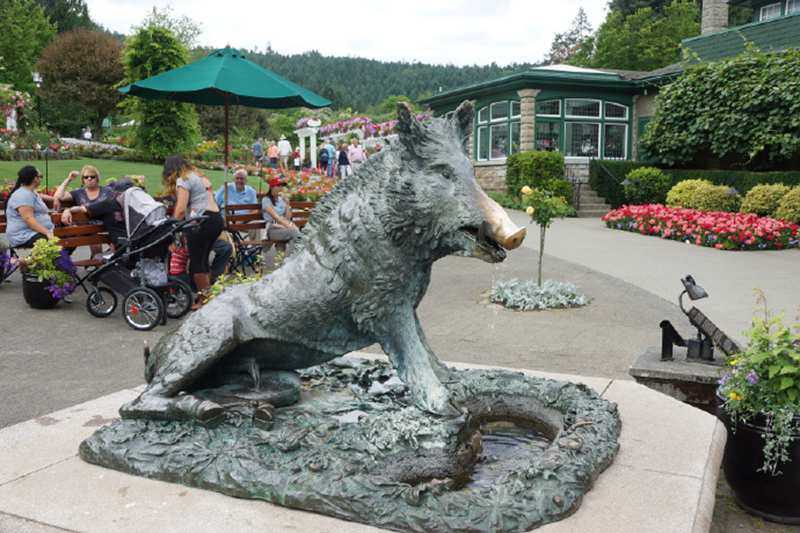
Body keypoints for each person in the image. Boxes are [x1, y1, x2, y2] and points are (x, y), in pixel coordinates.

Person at [162, 155, 224, 309]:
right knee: (203, 261)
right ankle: (207, 297)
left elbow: (181, 209)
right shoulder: (199, 176)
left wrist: (171, 227)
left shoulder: (183, 179)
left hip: (201, 221)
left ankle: (205, 302)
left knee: (197, 263)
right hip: (216, 219)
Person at [5, 165, 54, 248]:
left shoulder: (30, 192)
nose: (41, 179)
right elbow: (29, 220)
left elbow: (38, 197)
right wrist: (47, 232)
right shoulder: (23, 195)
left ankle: (62, 259)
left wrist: (54, 199)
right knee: (49, 244)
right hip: (24, 235)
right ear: (35, 179)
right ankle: (27, 261)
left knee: (70, 235)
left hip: (34, 232)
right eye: (40, 176)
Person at [261, 177, 299, 269]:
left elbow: (287, 218)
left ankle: (283, 264)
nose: (281, 188)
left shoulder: (281, 200)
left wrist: (287, 205)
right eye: (279, 186)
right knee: (294, 232)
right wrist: (289, 226)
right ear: (272, 187)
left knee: (294, 233)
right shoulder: (266, 200)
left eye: (281, 186)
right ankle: (295, 260)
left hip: (282, 228)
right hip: (272, 229)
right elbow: (276, 217)